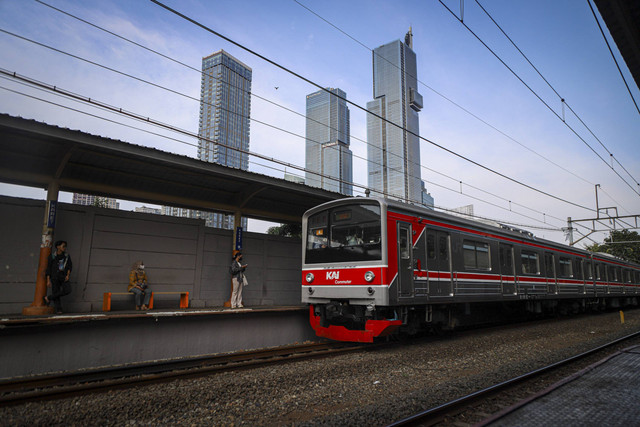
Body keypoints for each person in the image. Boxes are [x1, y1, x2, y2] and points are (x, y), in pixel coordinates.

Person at [44, 240, 72, 314]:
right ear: (58, 247)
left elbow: (69, 266)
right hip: (55, 277)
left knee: (68, 290)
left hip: (63, 276)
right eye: (63, 246)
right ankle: (59, 309)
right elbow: (48, 268)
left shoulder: (66, 256)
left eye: (65, 246)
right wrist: (48, 280)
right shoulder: (52, 256)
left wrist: (68, 275)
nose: (64, 248)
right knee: (56, 292)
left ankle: (49, 297)